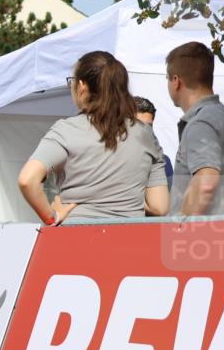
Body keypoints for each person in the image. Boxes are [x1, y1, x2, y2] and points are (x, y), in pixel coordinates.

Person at [17, 51, 169, 223]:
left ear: (82, 86)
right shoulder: (145, 133)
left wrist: (53, 217)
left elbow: (27, 180)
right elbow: (159, 206)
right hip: (130, 239)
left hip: (77, 238)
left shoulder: (65, 130)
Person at [166, 41, 224, 215]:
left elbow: (206, 183)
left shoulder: (201, 124)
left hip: (201, 237)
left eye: (168, 78)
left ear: (176, 81)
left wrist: (180, 227)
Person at [133, 96, 175, 189]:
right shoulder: (113, 161)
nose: (143, 131)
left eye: (148, 126)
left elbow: (170, 199)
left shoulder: (164, 162)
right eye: (137, 125)